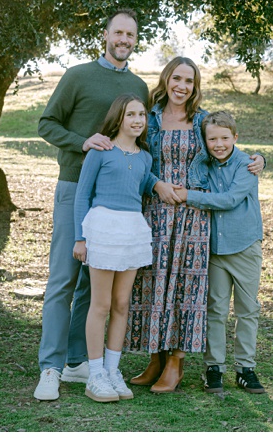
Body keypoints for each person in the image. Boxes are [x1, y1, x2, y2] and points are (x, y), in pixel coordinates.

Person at [35, 9, 176, 402]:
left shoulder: (136, 85)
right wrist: (83, 141)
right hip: (74, 186)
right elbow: (47, 124)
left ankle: (79, 360)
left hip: (116, 201)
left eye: (131, 35)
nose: (124, 40)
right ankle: (50, 366)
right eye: (118, 32)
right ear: (106, 35)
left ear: (134, 40)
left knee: (89, 287)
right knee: (64, 277)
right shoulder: (77, 75)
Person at [126, 57, 264, 393]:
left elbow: (226, 147)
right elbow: (137, 153)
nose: (182, 86)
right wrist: (156, 184)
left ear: (195, 86)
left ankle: (176, 361)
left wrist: (259, 159)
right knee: (154, 284)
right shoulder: (152, 116)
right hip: (157, 210)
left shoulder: (201, 120)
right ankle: (155, 358)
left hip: (193, 216)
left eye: (189, 81)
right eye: (177, 79)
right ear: (166, 79)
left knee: (186, 289)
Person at [73, 94, 157, 402]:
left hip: (132, 229)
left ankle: (112, 370)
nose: (137, 120)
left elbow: (144, 181)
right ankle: (95, 374)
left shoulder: (145, 155)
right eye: (131, 114)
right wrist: (79, 239)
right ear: (119, 118)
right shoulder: (102, 150)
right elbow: (83, 195)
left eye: (142, 115)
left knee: (122, 303)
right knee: (101, 305)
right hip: (103, 228)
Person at [174, 111, 265, 395]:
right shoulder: (204, 164)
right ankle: (213, 368)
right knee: (215, 309)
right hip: (215, 249)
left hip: (245, 246)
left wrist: (189, 196)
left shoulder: (247, 165)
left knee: (247, 309)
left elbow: (229, 200)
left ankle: (245, 368)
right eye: (212, 139)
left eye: (225, 138)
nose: (219, 144)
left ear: (235, 138)